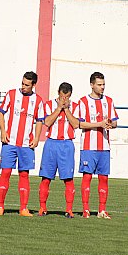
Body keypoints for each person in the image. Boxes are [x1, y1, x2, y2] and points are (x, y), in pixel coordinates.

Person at [0, 71, 45, 217]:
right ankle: (0, 206)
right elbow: (1, 113)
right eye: (22, 83)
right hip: (9, 142)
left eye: (27, 85)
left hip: (25, 144)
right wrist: (3, 131)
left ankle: (23, 208)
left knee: (24, 174)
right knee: (6, 172)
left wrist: (36, 138)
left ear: (33, 85)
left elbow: (39, 121)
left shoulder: (38, 100)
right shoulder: (11, 94)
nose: (23, 87)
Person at [77, 71, 118, 219]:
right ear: (92, 85)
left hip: (104, 147)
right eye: (99, 85)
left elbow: (115, 123)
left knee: (104, 178)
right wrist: (99, 124)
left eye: (104, 84)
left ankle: (102, 210)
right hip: (89, 146)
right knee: (87, 177)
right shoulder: (83, 101)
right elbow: (80, 123)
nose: (102, 87)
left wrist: (110, 124)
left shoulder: (109, 101)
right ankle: (86, 209)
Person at [38, 82, 79, 218]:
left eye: (66, 97)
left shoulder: (75, 107)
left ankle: (69, 209)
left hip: (66, 144)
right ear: (58, 93)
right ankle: (42, 207)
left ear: (70, 95)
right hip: (51, 144)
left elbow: (76, 124)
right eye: (62, 96)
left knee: (68, 179)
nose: (64, 99)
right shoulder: (49, 105)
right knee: (46, 178)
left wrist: (66, 109)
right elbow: (47, 122)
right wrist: (58, 108)